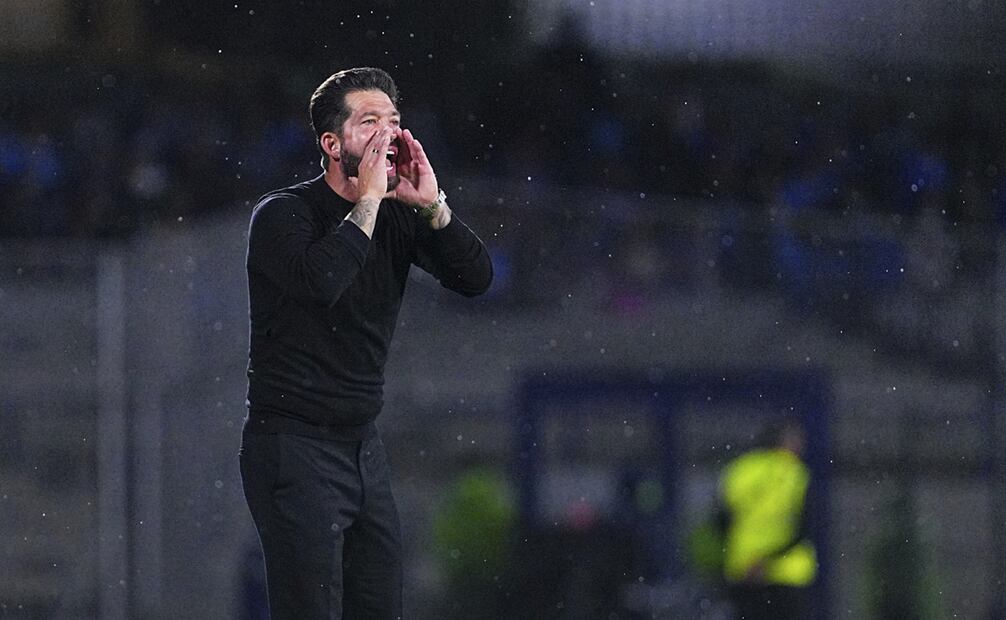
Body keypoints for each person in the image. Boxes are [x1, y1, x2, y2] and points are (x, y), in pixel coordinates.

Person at [238, 67, 493, 620]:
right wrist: (372, 203)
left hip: (361, 445)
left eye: (395, 122)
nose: (387, 136)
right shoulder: (283, 214)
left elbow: (476, 279)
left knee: (379, 606)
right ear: (332, 144)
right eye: (369, 122)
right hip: (293, 444)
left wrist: (433, 206)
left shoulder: (400, 212)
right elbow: (323, 283)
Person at [718, 420, 817, 620]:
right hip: (787, 574)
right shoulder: (793, 472)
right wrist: (768, 561)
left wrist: (749, 560)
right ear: (785, 443)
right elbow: (805, 527)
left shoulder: (739, 471)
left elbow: (720, 521)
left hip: (744, 573)